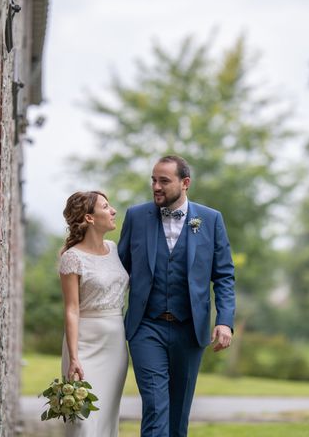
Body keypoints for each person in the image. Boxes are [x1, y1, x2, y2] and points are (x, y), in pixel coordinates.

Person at [118, 155, 236, 437]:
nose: (156, 187)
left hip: (189, 330)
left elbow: (224, 275)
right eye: (153, 180)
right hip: (146, 327)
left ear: (185, 183)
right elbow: (118, 269)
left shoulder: (210, 219)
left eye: (163, 181)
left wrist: (225, 321)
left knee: (178, 415)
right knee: (156, 408)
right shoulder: (136, 216)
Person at [59, 191, 129, 437]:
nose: (113, 211)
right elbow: (71, 309)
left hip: (115, 345)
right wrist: (74, 357)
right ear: (89, 218)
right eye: (106, 207)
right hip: (85, 345)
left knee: (107, 419)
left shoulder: (114, 248)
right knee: (83, 422)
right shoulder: (72, 258)